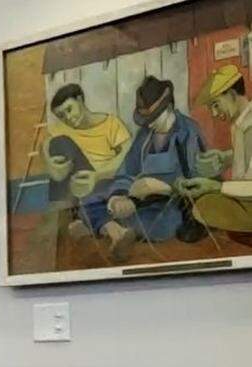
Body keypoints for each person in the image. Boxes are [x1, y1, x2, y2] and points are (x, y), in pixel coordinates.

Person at [80, 76, 210, 260]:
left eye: (154, 118)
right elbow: (128, 170)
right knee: (88, 197)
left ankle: (105, 226)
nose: (149, 123)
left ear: (169, 107)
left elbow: (198, 180)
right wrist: (119, 195)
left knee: (152, 224)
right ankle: (116, 231)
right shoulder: (146, 135)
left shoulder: (188, 131)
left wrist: (163, 187)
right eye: (146, 119)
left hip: (170, 206)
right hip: (137, 200)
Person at [179, 65, 252, 241]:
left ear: (232, 95)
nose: (213, 113)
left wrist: (217, 187)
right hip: (242, 197)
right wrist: (225, 158)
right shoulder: (240, 122)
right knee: (201, 203)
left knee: (203, 206)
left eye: (216, 105)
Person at [43, 83, 132, 204]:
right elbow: (46, 143)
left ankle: (65, 206)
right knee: (58, 143)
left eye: (69, 109)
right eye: (61, 116)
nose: (67, 117)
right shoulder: (62, 128)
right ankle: (62, 206)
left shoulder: (111, 123)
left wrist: (97, 175)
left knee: (61, 142)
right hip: (77, 182)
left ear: (80, 100)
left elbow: (128, 156)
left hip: (104, 178)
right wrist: (48, 161)